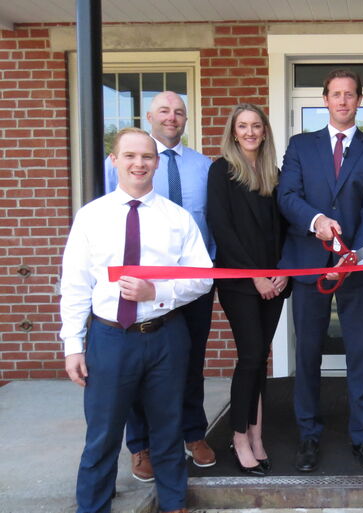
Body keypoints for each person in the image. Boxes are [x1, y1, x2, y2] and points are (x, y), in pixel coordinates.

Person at [61, 127, 213, 513]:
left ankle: (174, 503)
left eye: (146, 156)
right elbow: (76, 284)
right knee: (102, 436)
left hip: (165, 336)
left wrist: (157, 293)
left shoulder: (176, 218)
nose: (139, 163)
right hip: (110, 339)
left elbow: (203, 276)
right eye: (129, 156)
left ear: (157, 163)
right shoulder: (91, 217)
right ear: (114, 161)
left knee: (167, 430)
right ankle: (93, 507)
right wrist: (73, 346)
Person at [278, 68, 363, 472]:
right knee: (307, 353)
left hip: (355, 270)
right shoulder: (300, 146)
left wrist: (352, 254)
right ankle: (308, 435)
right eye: (335, 94)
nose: (342, 101)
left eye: (350, 94)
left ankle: (362, 436)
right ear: (324, 100)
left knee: (360, 353)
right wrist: (316, 220)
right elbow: (287, 195)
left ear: (359, 100)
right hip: (309, 265)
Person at [104, 91, 217, 479]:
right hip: (139, 288)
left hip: (193, 284)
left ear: (187, 119)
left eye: (179, 112)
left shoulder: (205, 167)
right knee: (136, 366)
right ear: (150, 115)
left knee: (190, 364)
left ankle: (193, 433)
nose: (172, 117)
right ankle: (141, 446)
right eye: (164, 111)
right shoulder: (117, 165)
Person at [207, 104, 290, 475]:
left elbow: (286, 227)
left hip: (275, 281)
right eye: (243, 126)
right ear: (234, 132)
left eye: (256, 125)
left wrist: (284, 271)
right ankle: (238, 435)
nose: (250, 131)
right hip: (240, 281)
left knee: (261, 360)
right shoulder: (221, 171)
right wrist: (255, 275)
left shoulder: (274, 172)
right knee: (251, 355)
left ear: (264, 131)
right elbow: (220, 227)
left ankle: (257, 434)